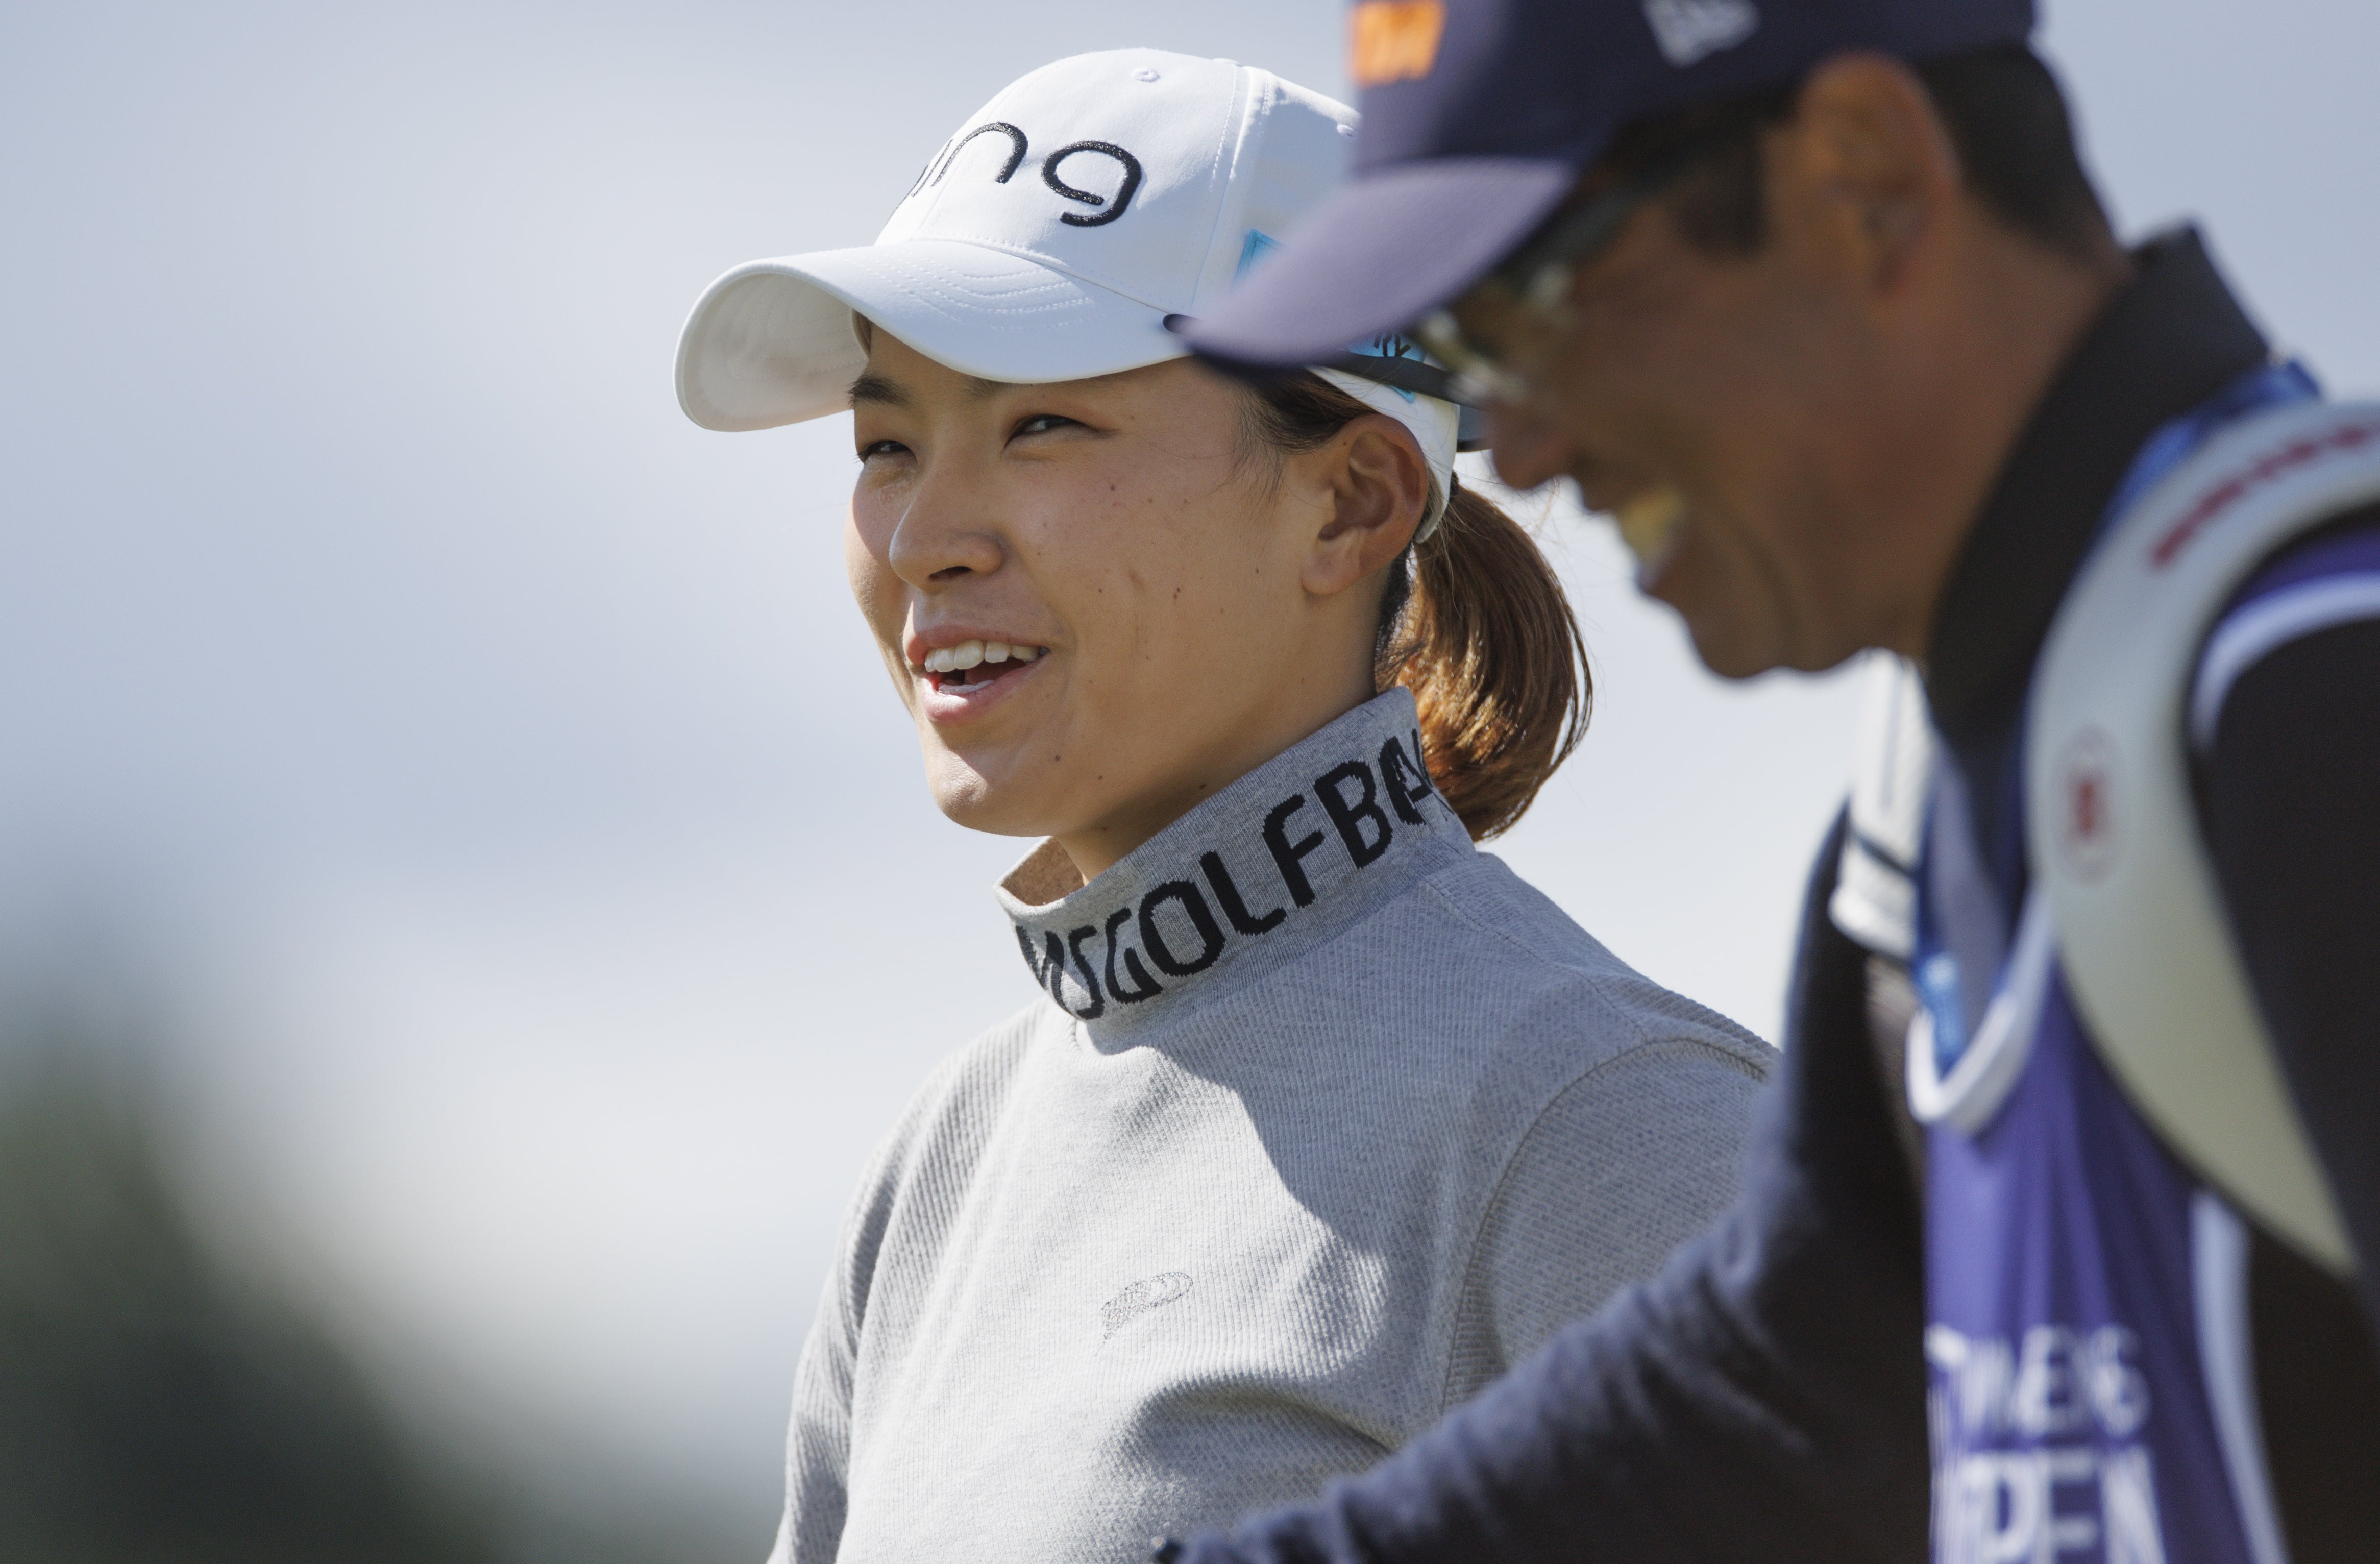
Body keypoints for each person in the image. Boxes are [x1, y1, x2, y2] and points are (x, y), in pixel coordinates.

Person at [1161, 1, 2380, 1561]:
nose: (1516, 445)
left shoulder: (2316, 677)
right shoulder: (1935, 788)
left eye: (1536, 297)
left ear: (1867, 178)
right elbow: (1797, 1375)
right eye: (1464, 351)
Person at [673, 46, 1775, 1564]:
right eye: (885, 443)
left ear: (1352, 501)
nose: (924, 536)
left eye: (1044, 424)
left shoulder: (1613, 1125)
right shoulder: (944, 1164)